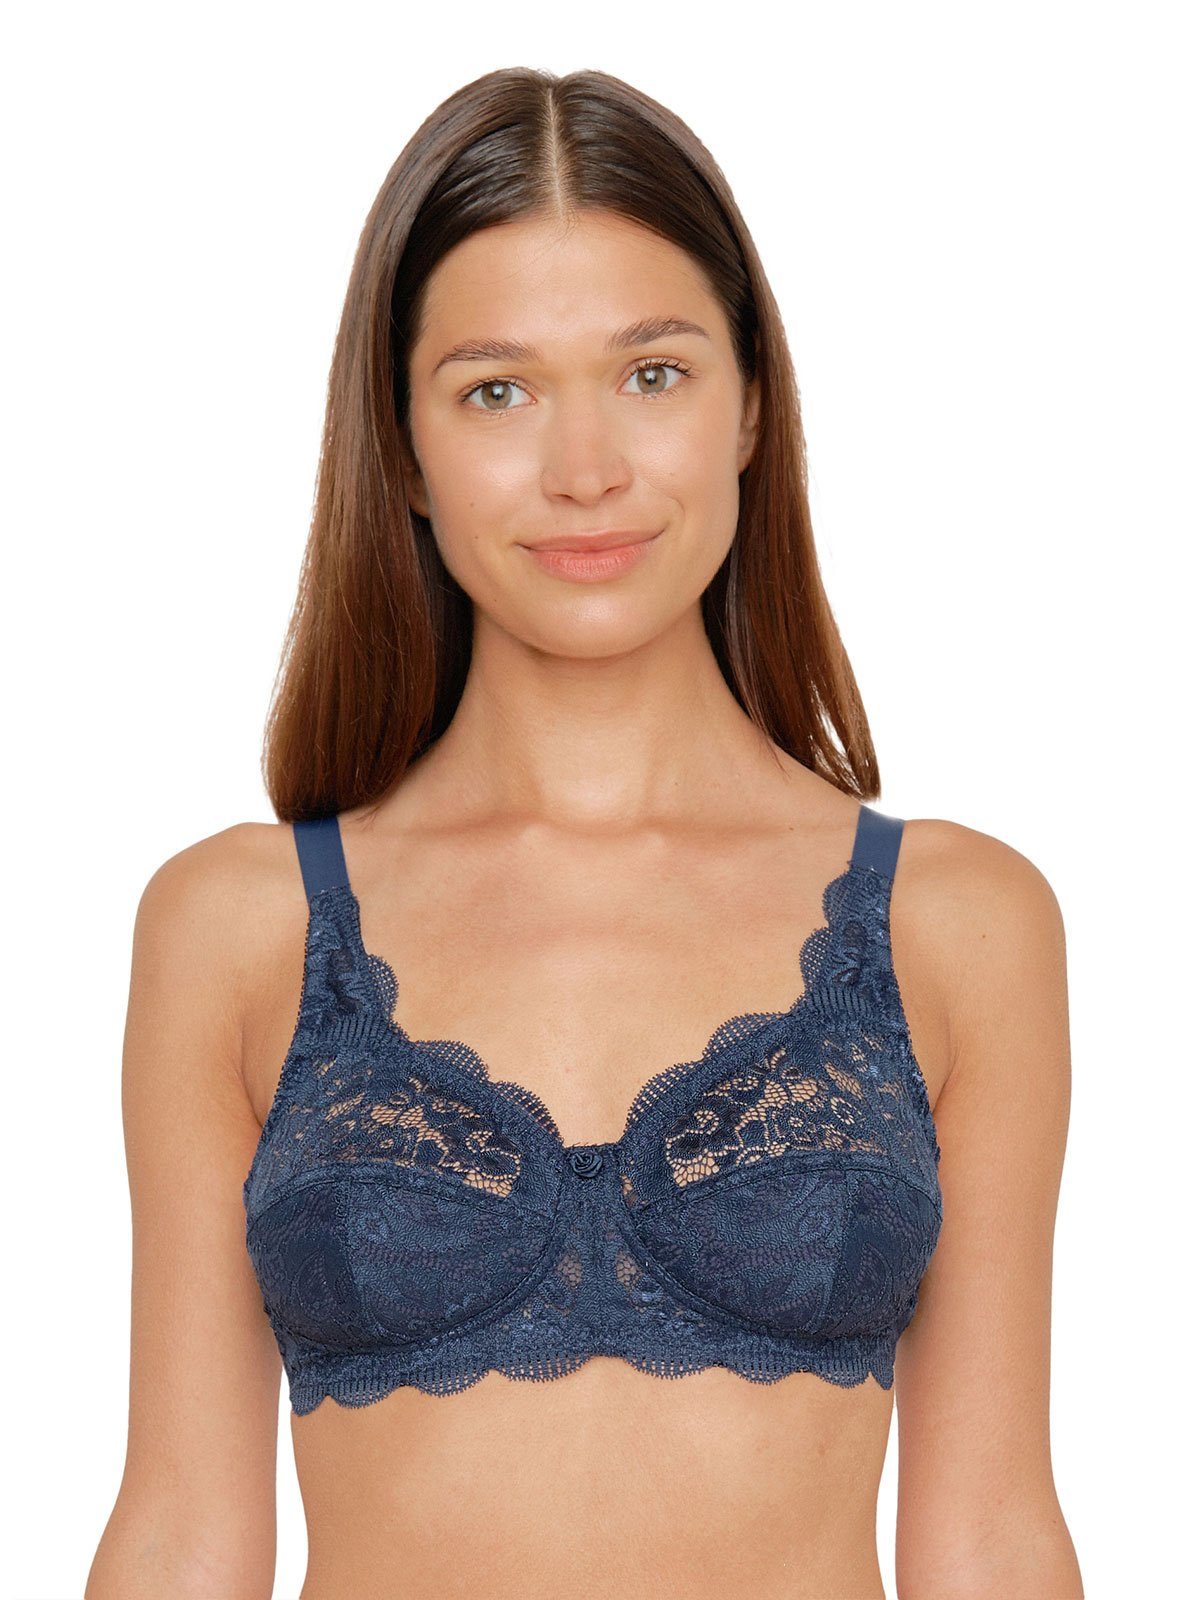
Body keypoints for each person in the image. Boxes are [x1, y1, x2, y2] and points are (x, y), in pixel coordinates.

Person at [85, 65, 1083, 1600]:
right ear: (403, 449)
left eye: (653, 373)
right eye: (498, 390)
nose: (586, 470)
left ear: (752, 405)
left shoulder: (955, 922)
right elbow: (176, 1537)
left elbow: (992, 1542)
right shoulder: (239, 927)